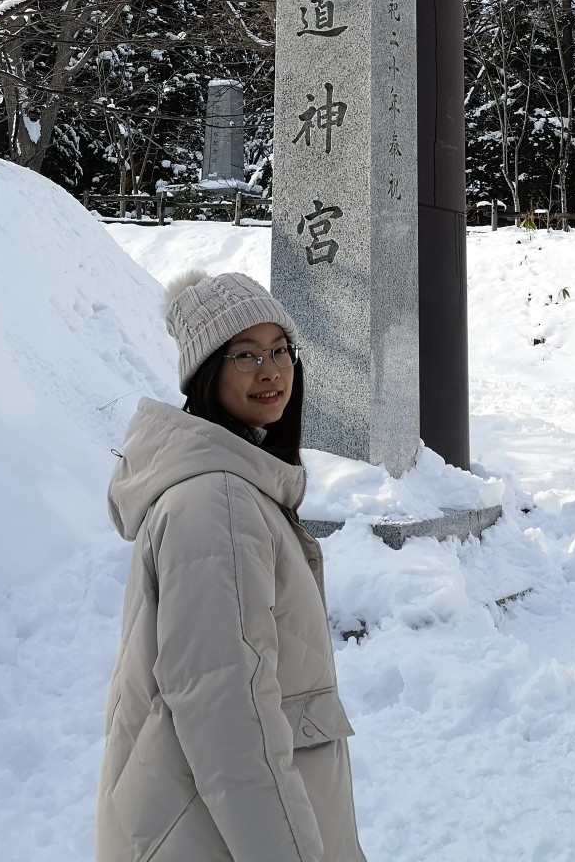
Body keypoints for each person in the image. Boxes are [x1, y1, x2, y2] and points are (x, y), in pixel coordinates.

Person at [96, 267, 366, 862]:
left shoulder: (236, 486)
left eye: (279, 350)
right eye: (245, 355)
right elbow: (227, 713)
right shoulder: (216, 504)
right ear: (207, 373)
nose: (270, 371)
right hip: (215, 830)